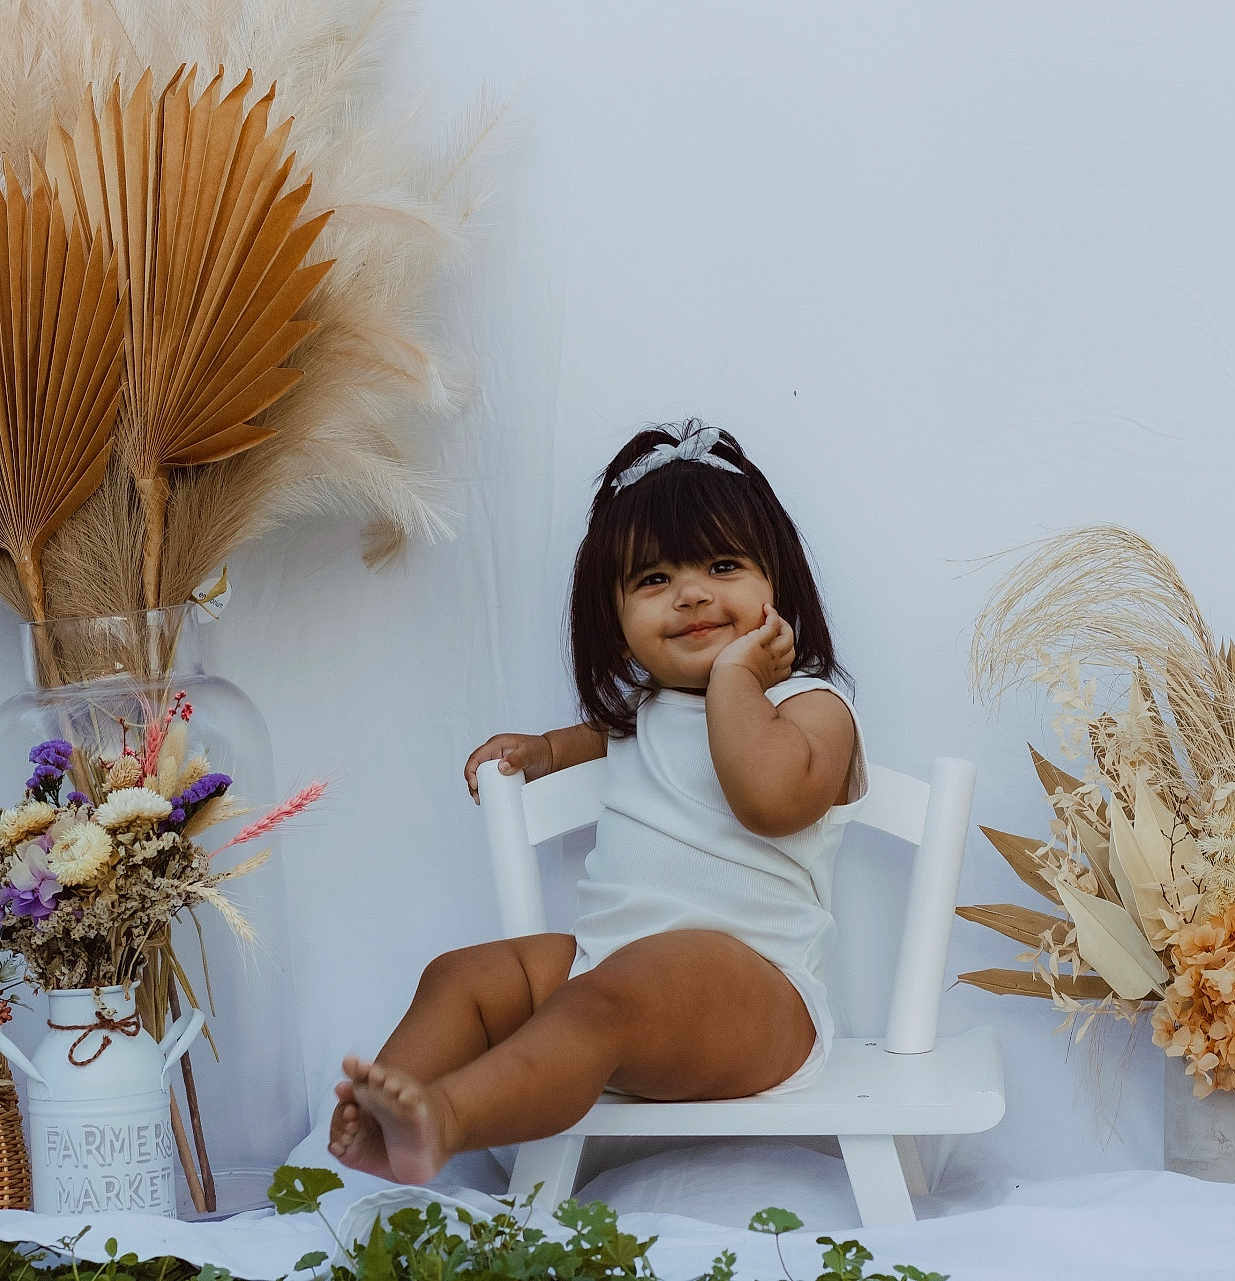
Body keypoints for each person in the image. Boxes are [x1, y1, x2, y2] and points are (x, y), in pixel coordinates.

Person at [329, 420, 869, 1185]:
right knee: (464, 976)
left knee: (605, 997)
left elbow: (769, 799)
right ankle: (385, 1126)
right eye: (652, 580)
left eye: (721, 565)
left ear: (775, 583)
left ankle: (446, 1117)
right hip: (610, 971)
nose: (689, 593)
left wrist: (736, 678)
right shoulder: (645, 714)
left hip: (758, 993)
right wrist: (546, 751)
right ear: (612, 621)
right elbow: (616, 740)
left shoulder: (811, 706)